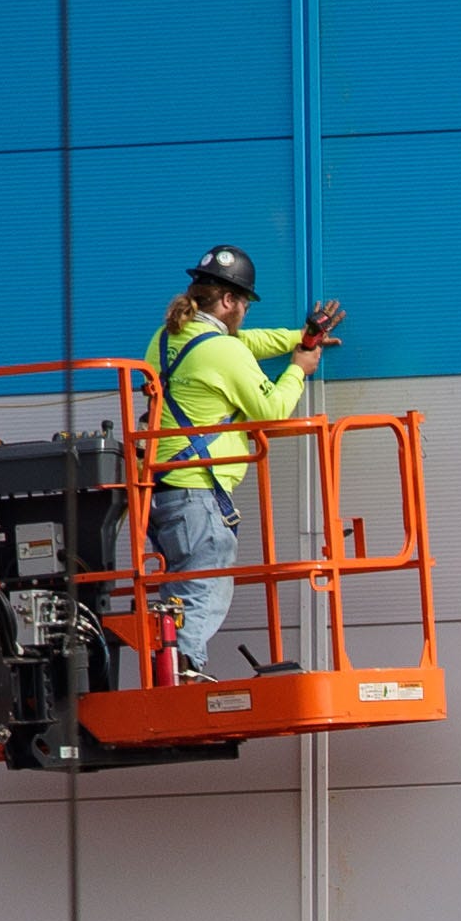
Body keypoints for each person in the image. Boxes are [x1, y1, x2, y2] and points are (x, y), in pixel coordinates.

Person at [137, 245, 341, 681]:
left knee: (180, 588)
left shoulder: (166, 338)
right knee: (205, 585)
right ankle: (184, 673)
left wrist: (299, 338)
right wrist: (299, 368)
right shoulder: (224, 353)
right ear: (228, 301)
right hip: (199, 494)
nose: (246, 312)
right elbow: (272, 413)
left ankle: (171, 666)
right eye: (244, 303)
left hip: (162, 492)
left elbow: (242, 344)